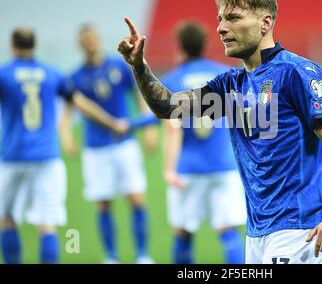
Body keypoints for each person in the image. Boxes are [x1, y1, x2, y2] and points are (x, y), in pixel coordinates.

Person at [118, 0, 322, 264]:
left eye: (233, 18)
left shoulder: (297, 72)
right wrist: (139, 67)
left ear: (265, 22)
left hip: (298, 229)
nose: (220, 27)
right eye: (219, 19)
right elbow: (167, 106)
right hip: (257, 233)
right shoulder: (230, 86)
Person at [0, 28, 127, 264]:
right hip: (47, 157)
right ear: (34, 45)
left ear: (13, 46)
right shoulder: (52, 74)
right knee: (47, 223)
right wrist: (112, 124)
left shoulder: (4, 74)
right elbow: (82, 103)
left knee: (7, 219)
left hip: (12, 157)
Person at [59, 25, 156, 264]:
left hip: (125, 143)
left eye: (91, 37)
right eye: (84, 39)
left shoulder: (117, 66)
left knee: (136, 198)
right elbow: (68, 111)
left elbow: (139, 94)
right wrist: (67, 136)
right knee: (102, 203)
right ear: (80, 44)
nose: (89, 42)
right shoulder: (76, 76)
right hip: (95, 148)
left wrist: (149, 126)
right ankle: (111, 256)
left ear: (98, 39)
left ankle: (142, 255)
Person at [160, 20, 246, 264]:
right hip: (225, 165)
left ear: (180, 46)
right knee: (228, 231)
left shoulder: (173, 80)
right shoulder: (225, 74)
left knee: (183, 231)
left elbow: (173, 128)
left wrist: (168, 169)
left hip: (189, 168)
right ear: (205, 44)